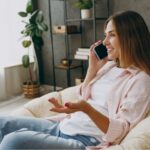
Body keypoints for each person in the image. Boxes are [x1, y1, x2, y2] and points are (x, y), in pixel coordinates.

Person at [0, 10, 150, 150]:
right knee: (2, 123)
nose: (105, 42)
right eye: (105, 35)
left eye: (111, 35)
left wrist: (86, 108)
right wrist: (92, 69)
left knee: (13, 141)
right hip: (64, 126)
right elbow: (83, 97)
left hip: (84, 139)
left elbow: (120, 130)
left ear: (130, 37)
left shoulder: (141, 80)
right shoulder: (109, 67)